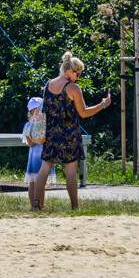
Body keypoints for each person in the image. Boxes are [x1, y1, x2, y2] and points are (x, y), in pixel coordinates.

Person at [33, 51, 111, 211]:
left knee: (44, 169)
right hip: (69, 134)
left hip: (51, 133)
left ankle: (35, 205)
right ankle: (74, 206)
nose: (78, 78)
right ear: (69, 71)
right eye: (78, 74)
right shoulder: (73, 88)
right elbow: (83, 112)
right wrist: (103, 105)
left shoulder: (48, 84)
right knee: (70, 171)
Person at [22, 96, 55, 206]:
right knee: (33, 182)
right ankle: (33, 205)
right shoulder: (29, 126)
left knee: (42, 183)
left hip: (45, 156)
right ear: (32, 111)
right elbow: (31, 143)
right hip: (35, 157)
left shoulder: (47, 125)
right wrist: (40, 136)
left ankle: (41, 204)